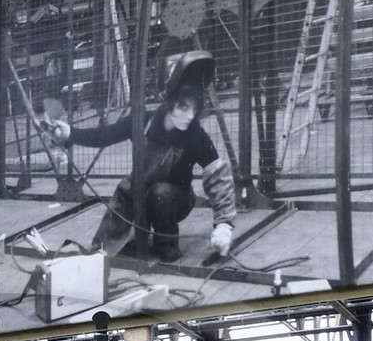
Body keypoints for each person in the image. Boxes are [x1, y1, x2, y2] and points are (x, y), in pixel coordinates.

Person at [45, 49, 236, 263]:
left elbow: (218, 175)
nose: (190, 116)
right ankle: (102, 249)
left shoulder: (194, 135)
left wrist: (224, 225)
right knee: (127, 188)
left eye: (194, 109)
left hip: (175, 199)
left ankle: (167, 245)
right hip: (139, 193)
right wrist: (70, 133)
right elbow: (105, 135)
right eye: (183, 107)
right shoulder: (142, 122)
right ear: (169, 101)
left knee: (161, 193)